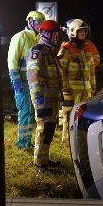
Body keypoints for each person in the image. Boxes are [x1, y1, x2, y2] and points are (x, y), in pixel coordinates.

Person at [26, 20, 63, 174]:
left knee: (49, 129)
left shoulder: (50, 51)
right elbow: (32, 75)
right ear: (47, 34)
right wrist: (38, 96)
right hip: (43, 98)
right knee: (43, 129)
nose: (57, 37)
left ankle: (45, 160)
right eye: (55, 33)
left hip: (52, 98)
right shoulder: (38, 50)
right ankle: (39, 165)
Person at [7, 10, 45, 150]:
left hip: (32, 83)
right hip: (21, 82)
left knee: (31, 112)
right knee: (25, 110)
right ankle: (22, 142)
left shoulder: (37, 38)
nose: (40, 25)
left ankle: (27, 140)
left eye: (42, 22)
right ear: (30, 21)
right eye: (38, 22)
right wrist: (15, 81)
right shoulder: (20, 37)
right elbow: (12, 61)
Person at [57, 19, 97, 143]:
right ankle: (68, 140)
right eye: (80, 31)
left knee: (84, 113)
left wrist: (93, 86)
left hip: (86, 89)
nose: (83, 33)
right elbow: (60, 70)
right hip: (70, 90)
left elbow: (91, 71)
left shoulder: (86, 49)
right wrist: (64, 87)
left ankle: (82, 137)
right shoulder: (66, 48)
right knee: (69, 114)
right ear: (73, 32)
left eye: (84, 31)